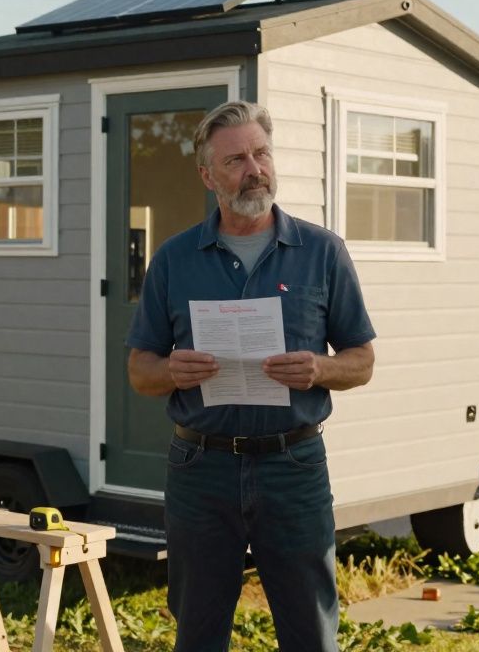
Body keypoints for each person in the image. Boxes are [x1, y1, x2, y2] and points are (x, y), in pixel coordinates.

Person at [125, 100, 376, 651]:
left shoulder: (322, 252)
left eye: (261, 153)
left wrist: (320, 368)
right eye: (235, 159)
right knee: (197, 628)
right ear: (207, 174)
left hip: (294, 464)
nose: (254, 169)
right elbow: (140, 371)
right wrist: (170, 369)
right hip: (200, 468)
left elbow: (362, 358)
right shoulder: (173, 259)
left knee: (310, 629)